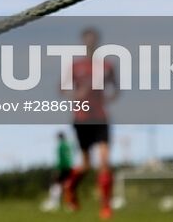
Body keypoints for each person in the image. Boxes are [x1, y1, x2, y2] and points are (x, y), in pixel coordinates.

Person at [62, 27, 118, 218]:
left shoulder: (106, 66)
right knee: (86, 164)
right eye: (87, 40)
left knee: (104, 160)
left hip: (100, 117)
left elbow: (116, 89)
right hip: (82, 117)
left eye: (93, 40)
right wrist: (76, 95)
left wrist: (108, 99)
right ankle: (70, 187)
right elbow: (63, 89)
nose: (90, 43)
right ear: (83, 42)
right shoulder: (76, 67)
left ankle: (105, 205)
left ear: (97, 42)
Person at [42, 131, 74, 211]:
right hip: (69, 167)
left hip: (62, 167)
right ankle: (70, 204)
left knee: (56, 183)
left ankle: (54, 203)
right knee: (67, 185)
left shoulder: (61, 146)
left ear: (59, 137)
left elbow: (60, 159)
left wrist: (58, 169)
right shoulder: (68, 145)